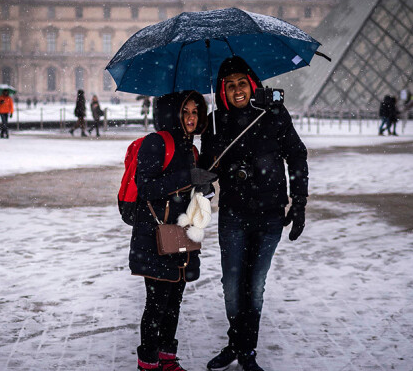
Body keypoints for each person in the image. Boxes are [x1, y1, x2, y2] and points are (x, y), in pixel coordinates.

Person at [199, 56, 308, 371]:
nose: (237, 91)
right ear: (222, 90)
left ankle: (246, 352)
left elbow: (296, 154)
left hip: (270, 214)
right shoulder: (217, 122)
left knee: (254, 285)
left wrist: (299, 201)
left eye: (241, 84)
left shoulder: (273, 113)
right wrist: (213, 160)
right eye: (230, 86)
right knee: (233, 286)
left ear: (252, 85)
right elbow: (206, 171)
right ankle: (237, 343)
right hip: (233, 214)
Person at [130, 90, 216, 371]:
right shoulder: (157, 143)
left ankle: (167, 358)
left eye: (195, 112)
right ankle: (148, 363)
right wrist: (186, 177)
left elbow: (191, 195)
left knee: (174, 300)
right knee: (156, 303)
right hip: (154, 236)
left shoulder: (191, 149)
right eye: (185, 111)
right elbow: (146, 188)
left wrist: (205, 190)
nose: (191, 118)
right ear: (172, 113)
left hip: (180, 233)